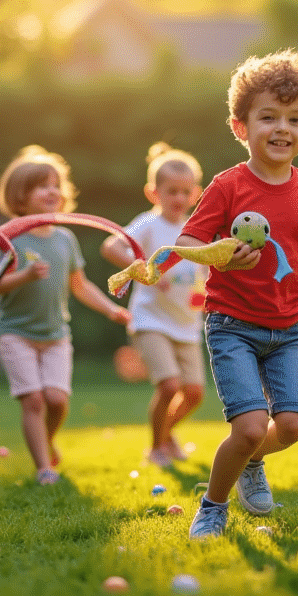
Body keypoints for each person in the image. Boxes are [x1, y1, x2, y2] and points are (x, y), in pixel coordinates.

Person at [177, 49, 298, 539]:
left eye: (295, 119)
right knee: (250, 426)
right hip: (232, 325)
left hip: (288, 329)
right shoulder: (228, 185)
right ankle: (213, 505)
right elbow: (188, 242)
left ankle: (251, 462)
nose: (282, 128)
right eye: (268, 116)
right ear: (241, 127)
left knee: (292, 426)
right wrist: (222, 253)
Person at [0, 146, 132, 485]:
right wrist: (23, 275)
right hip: (15, 333)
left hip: (55, 336)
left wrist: (112, 309)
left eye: (55, 185)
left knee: (57, 401)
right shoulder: (10, 239)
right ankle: (43, 468)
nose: (52, 191)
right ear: (21, 197)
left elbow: (80, 286)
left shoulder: (65, 239)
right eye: (41, 186)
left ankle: (46, 440)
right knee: (34, 401)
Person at [100, 143, 206, 469]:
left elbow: (207, 268)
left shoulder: (197, 230)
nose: (178, 197)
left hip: (187, 323)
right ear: (153, 192)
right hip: (150, 320)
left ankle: (166, 433)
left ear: (195, 193)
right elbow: (111, 246)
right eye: (170, 190)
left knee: (194, 393)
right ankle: (156, 448)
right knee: (169, 385)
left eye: (185, 191)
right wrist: (143, 267)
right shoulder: (148, 224)